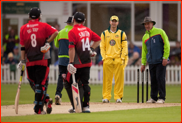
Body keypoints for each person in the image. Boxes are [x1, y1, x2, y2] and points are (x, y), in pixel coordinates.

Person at [17, 7, 58, 114]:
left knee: (34, 83)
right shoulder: (44, 25)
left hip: (30, 59)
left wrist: (22, 60)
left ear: (29, 16)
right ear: (39, 16)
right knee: (40, 85)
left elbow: (22, 46)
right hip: (43, 59)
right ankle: (46, 99)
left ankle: (38, 108)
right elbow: (56, 32)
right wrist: (47, 42)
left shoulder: (23, 28)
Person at [65, 12, 101, 113]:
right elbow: (98, 40)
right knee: (85, 84)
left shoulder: (72, 31)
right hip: (87, 62)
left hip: (76, 63)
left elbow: (71, 48)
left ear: (73, 20)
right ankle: (86, 106)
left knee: (69, 83)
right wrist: (90, 49)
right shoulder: (87, 30)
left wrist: (71, 62)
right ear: (84, 21)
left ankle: (76, 106)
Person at [140, 17, 170, 104]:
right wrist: (143, 63)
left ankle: (162, 97)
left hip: (161, 61)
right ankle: (153, 97)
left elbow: (167, 45)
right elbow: (144, 51)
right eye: (145, 24)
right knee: (153, 80)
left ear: (152, 24)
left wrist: (165, 57)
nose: (147, 25)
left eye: (148, 23)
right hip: (151, 62)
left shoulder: (160, 32)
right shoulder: (144, 37)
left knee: (160, 78)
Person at [100, 15, 128, 103]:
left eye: (115, 21)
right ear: (110, 22)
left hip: (118, 59)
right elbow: (102, 47)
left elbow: (125, 47)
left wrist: (122, 58)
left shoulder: (122, 33)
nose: (114, 23)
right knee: (106, 79)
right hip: (108, 59)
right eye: (113, 21)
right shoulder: (104, 33)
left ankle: (118, 97)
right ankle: (106, 97)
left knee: (119, 79)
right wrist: (104, 57)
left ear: (118, 23)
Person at [54, 16, 73, 105]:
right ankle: (74, 97)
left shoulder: (60, 32)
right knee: (73, 78)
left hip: (61, 58)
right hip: (71, 58)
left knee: (61, 77)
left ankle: (58, 94)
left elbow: (56, 45)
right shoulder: (73, 32)